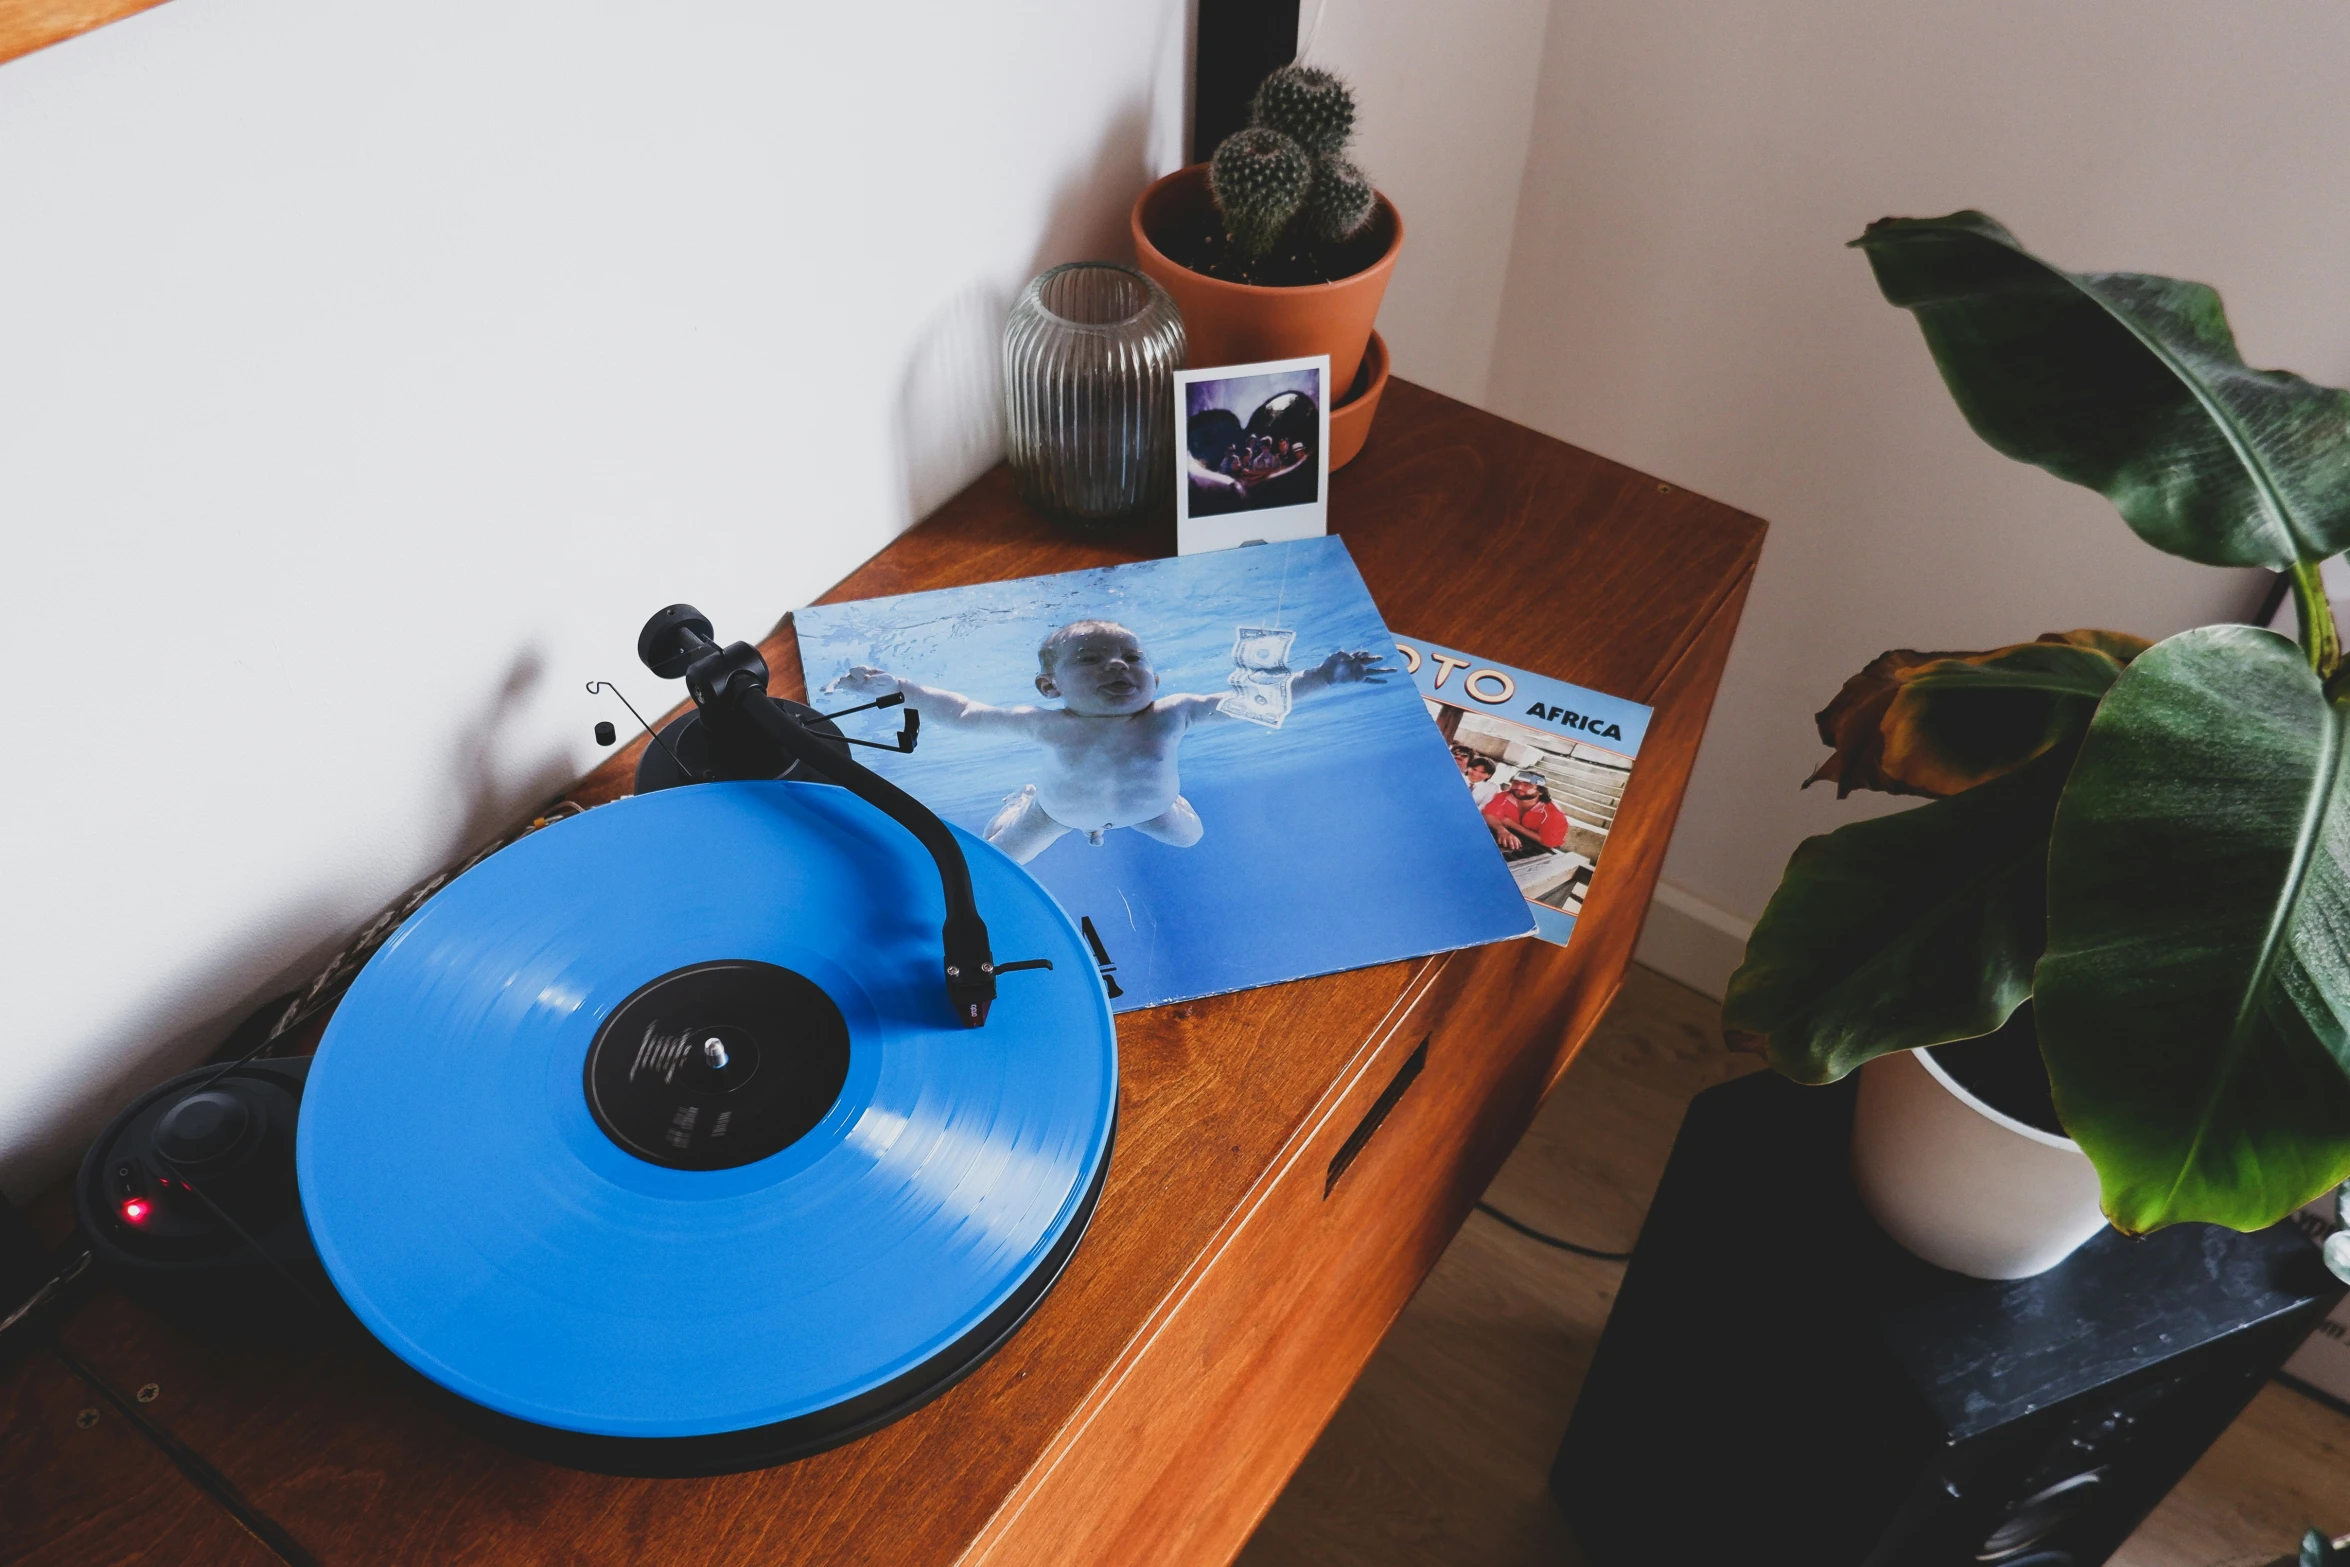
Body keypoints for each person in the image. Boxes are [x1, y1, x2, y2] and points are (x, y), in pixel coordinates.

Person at [827, 619, 1388, 864]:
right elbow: (968, 713)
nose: (1117, 666)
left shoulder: (1174, 712)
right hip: (1055, 814)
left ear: (1157, 677)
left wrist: (1321, 677)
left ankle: (1167, 801)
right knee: (999, 860)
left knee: (1191, 839)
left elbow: (1251, 703)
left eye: (1133, 658)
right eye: (1091, 660)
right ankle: (1020, 801)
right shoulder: (1050, 723)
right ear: (1051, 686)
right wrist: (900, 687)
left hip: (1150, 809)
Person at [1483, 771, 1571, 856]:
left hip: (1536, 848)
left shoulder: (1553, 812)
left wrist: (1511, 824)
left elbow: (1549, 842)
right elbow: (1488, 813)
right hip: (1506, 837)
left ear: (1540, 791)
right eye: (1516, 783)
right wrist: (1501, 829)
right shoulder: (1504, 796)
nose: (1519, 787)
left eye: (1527, 785)